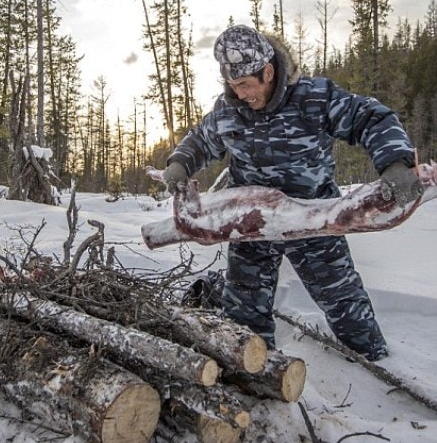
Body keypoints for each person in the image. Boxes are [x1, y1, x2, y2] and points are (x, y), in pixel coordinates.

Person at [162, 25, 423, 361]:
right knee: (244, 309)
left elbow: (370, 118)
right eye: (233, 85)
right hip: (251, 224)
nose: (240, 94)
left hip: (312, 217)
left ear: (268, 72)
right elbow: (201, 139)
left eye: (245, 85)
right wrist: (181, 163)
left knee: (342, 298)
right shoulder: (228, 110)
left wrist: (395, 163)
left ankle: (377, 364)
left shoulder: (313, 97)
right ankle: (255, 374)